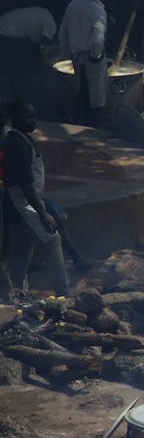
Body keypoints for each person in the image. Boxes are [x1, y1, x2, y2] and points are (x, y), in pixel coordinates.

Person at [2, 100, 68, 302]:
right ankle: (63, 291)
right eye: (27, 117)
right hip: (22, 203)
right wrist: (42, 212)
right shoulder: (16, 144)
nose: (33, 121)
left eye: (33, 116)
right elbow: (26, 185)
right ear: (15, 119)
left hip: (27, 202)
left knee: (21, 249)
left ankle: (17, 294)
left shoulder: (23, 139)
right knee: (51, 240)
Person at [56, 0, 108, 126]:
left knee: (81, 91)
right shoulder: (98, 11)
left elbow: (62, 34)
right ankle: (95, 127)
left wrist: (67, 55)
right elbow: (97, 39)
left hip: (77, 57)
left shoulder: (73, 4)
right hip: (92, 58)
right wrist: (96, 57)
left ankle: (80, 123)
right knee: (96, 96)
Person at [0, 1, 54, 102]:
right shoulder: (48, 26)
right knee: (16, 67)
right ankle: (18, 98)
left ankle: (16, 95)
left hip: (4, 26)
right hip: (6, 35)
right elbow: (40, 44)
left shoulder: (44, 14)